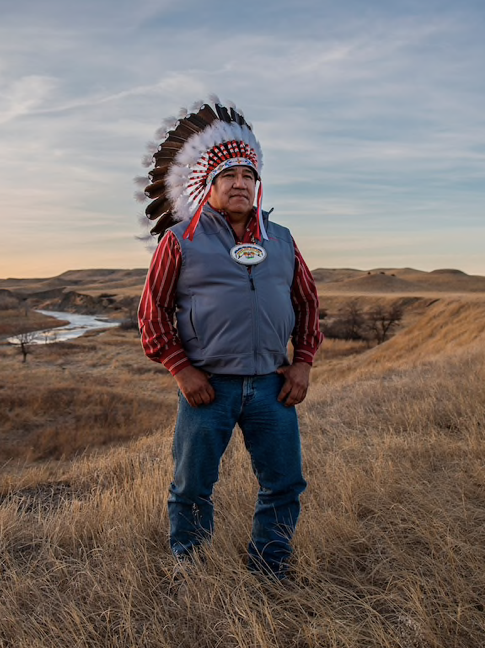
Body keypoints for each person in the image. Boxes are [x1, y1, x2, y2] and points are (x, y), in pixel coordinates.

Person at [137, 99, 323, 580]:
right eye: (229, 175)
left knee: (285, 483)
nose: (240, 183)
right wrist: (182, 369)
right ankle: (192, 571)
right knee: (192, 487)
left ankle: (270, 567)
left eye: (248, 176)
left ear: (258, 185)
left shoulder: (281, 239)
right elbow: (152, 314)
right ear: (210, 184)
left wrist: (302, 363)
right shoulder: (180, 240)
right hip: (208, 387)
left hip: (271, 386)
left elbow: (307, 303)